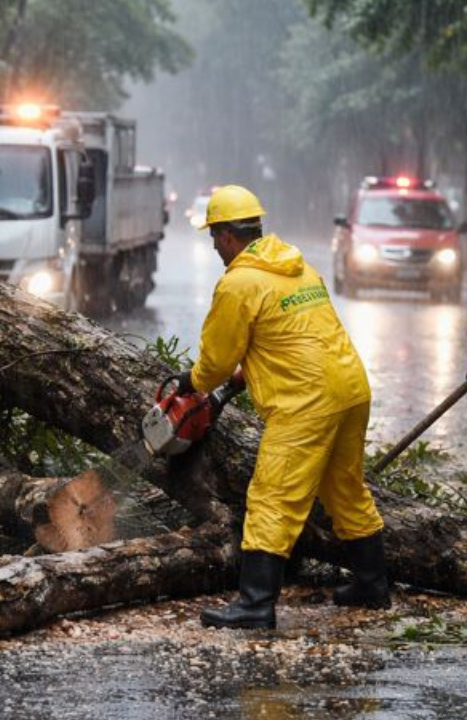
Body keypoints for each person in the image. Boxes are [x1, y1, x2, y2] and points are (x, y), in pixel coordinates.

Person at [176, 185, 388, 629]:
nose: (215, 246)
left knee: (273, 496)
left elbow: (214, 361)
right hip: (349, 390)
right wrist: (244, 377)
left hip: (305, 401)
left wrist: (192, 384)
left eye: (215, 236)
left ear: (230, 236)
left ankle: (255, 604)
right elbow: (291, 338)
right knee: (345, 488)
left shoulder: (239, 282)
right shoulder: (298, 269)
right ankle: (372, 583)